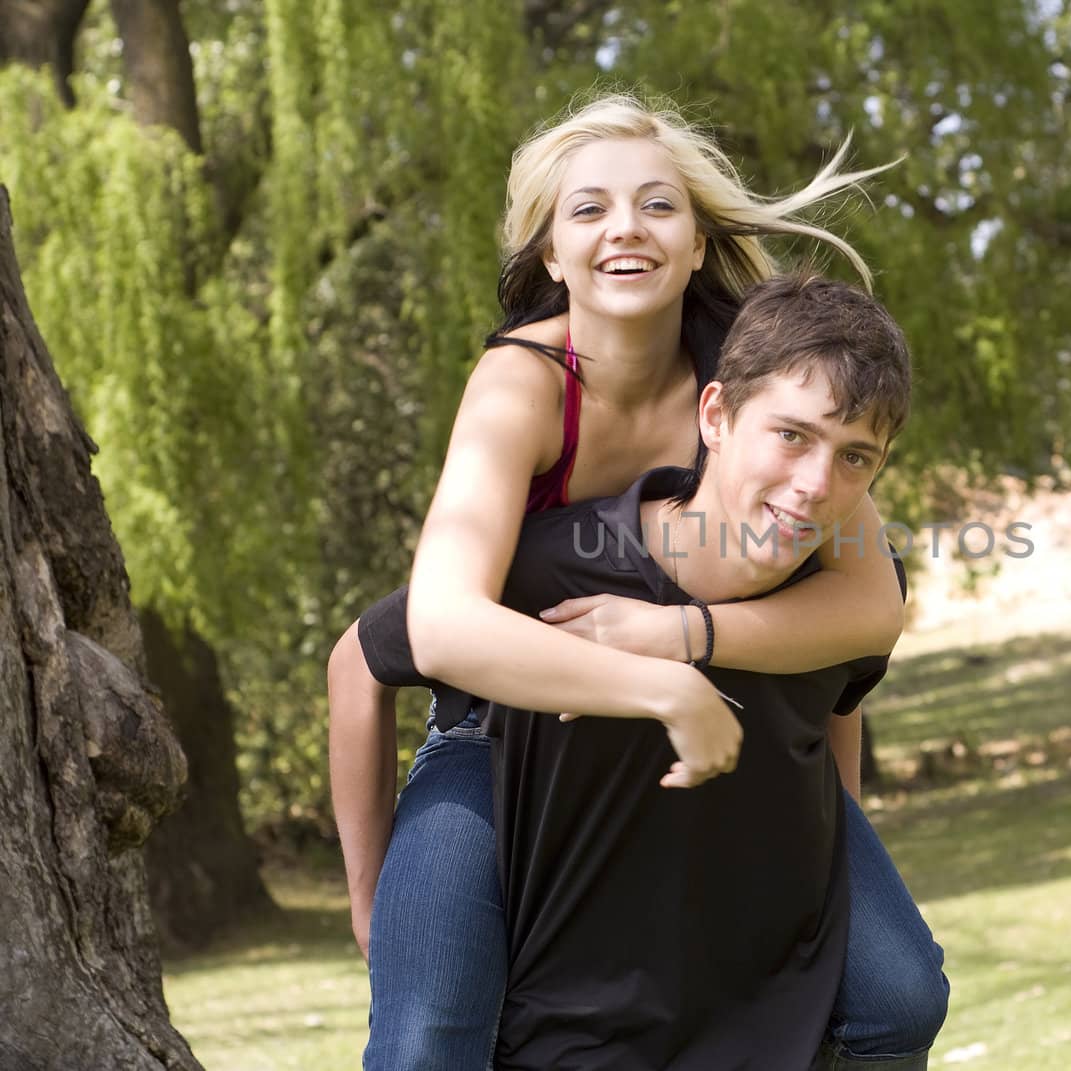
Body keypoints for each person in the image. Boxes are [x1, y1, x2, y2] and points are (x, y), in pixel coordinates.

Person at [325, 95, 946, 1069]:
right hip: (506, 734)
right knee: (429, 1035)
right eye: (587, 210)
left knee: (893, 997)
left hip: (704, 731)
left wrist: (685, 643)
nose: (625, 226)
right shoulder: (521, 387)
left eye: (658, 205)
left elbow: (868, 605)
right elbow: (430, 629)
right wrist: (369, 896)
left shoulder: (764, 376)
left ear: (698, 243)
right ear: (547, 255)